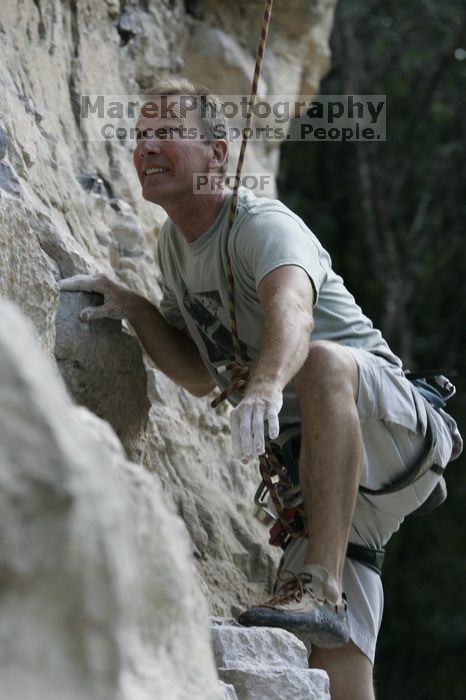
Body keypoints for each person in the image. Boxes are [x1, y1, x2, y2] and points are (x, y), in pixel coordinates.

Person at [60, 78, 462, 700]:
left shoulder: (260, 224)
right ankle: (327, 587)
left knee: (325, 362)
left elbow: (294, 309)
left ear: (218, 153)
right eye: (141, 136)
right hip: (328, 471)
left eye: (167, 132)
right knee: (333, 656)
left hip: (392, 425)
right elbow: (199, 374)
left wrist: (268, 386)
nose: (146, 147)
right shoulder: (175, 248)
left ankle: (321, 582)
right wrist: (134, 306)